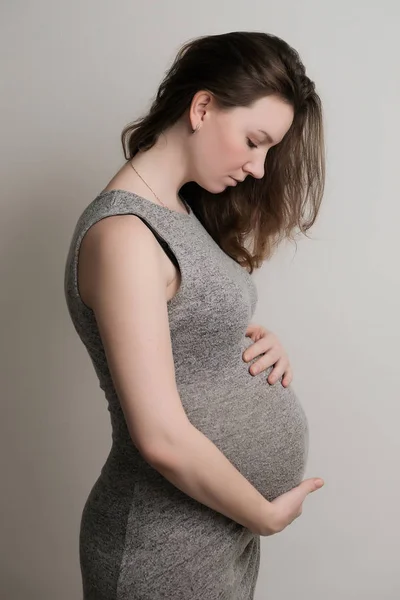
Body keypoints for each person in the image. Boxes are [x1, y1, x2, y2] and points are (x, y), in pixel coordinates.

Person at [64, 30, 325, 600]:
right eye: (254, 141)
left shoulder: (179, 211)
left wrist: (254, 343)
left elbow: (190, 337)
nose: (259, 167)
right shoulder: (124, 236)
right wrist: (261, 514)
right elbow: (158, 435)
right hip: (163, 546)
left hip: (210, 533)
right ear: (202, 107)